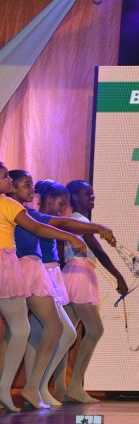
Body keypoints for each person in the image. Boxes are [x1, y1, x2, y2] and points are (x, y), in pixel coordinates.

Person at [10, 174, 115, 407]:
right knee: (39, 332)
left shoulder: (33, 215)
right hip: (37, 272)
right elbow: (60, 227)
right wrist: (95, 229)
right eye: (61, 202)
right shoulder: (29, 215)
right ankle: (37, 387)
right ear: (47, 199)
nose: (63, 208)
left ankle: (41, 387)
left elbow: (56, 232)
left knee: (37, 333)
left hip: (49, 273)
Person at [0, 162, 86, 411]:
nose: (8, 180)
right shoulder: (10, 205)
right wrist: (73, 235)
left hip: (21, 268)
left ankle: (31, 387)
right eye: (5, 177)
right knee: (24, 330)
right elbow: (39, 227)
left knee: (21, 331)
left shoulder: (13, 206)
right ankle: (23, 387)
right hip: (15, 267)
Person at [53, 180, 128, 403]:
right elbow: (99, 251)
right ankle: (75, 385)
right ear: (74, 198)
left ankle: (59, 388)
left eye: (93, 193)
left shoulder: (74, 221)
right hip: (80, 275)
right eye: (87, 194)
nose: (92, 197)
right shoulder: (81, 222)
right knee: (95, 330)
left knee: (66, 335)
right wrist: (118, 276)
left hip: (72, 275)